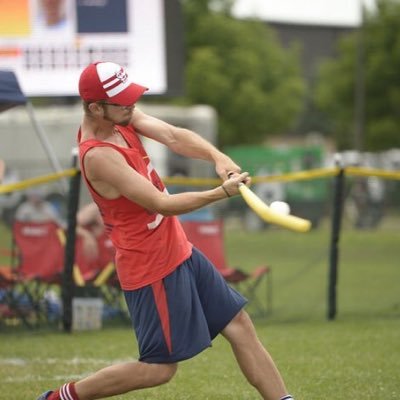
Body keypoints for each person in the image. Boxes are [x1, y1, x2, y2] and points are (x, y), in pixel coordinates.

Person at [37, 61, 294, 400]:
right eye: (121, 101)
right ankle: (61, 398)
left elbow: (173, 136)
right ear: (95, 108)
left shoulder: (122, 116)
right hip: (151, 265)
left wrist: (217, 157)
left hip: (179, 248)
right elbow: (161, 203)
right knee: (158, 369)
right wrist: (220, 193)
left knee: (239, 324)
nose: (130, 105)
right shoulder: (98, 156)